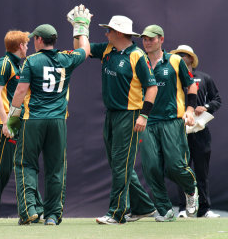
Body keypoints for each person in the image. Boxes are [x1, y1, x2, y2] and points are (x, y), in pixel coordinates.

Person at [5, 6, 91, 226]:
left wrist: (12, 120)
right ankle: (53, 215)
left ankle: (29, 210)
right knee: (55, 169)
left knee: (26, 165)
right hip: (58, 121)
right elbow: (85, 50)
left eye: (35, 38)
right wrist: (81, 27)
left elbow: (20, 92)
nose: (33, 41)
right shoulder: (66, 58)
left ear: (40, 40)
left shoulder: (32, 61)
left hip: (33, 119)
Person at [88, 15, 158, 225]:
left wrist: (144, 115)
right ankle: (144, 207)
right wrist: (79, 28)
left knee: (121, 165)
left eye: (109, 30)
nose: (106, 33)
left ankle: (117, 213)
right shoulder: (108, 49)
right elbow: (83, 49)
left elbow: (152, 87)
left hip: (130, 115)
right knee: (119, 164)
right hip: (111, 114)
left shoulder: (137, 55)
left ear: (118, 33)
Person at [0, 30, 43, 224]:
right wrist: (5, 122)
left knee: (25, 164)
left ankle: (36, 208)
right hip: (7, 123)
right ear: (20, 46)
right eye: (26, 44)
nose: (28, 47)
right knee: (3, 169)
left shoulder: (17, 64)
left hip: (16, 122)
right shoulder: (4, 64)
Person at [140, 25, 199, 222]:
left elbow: (191, 85)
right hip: (148, 121)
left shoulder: (174, 61)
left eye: (151, 39)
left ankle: (191, 191)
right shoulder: (140, 61)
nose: (147, 42)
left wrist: (190, 110)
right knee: (151, 168)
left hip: (172, 120)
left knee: (175, 166)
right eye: (145, 39)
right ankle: (165, 209)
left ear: (161, 40)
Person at [170, 45, 222, 218]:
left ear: (191, 58)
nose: (180, 58)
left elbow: (217, 99)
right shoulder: (173, 78)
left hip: (200, 130)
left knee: (201, 171)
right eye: (177, 56)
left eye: (183, 55)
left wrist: (205, 107)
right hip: (179, 131)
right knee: (181, 170)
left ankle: (204, 209)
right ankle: (183, 209)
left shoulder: (204, 78)